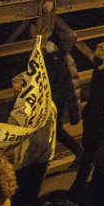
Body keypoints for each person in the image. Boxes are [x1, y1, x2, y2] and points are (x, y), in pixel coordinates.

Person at [70, 41, 104, 194]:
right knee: (87, 155)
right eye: (96, 55)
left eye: (100, 56)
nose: (96, 59)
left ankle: (93, 190)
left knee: (99, 159)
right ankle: (77, 189)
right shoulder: (97, 70)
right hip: (92, 119)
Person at [8, 72, 56, 206]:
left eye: (19, 90)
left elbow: (40, 141)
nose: (17, 93)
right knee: (20, 197)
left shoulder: (43, 108)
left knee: (26, 197)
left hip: (34, 161)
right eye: (15, 90)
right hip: (25, 158)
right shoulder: (25, 103)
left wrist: (22, 163)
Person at [40, 20, 83, 161]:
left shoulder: (64, 62)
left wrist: (75, 115)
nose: (49, 46)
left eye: (52, 44)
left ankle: (79, 152)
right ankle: (79, 152)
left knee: (55, 131)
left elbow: (72, 89)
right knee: (54, 131)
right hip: (50, 101)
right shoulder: (52, 58)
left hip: (56, 103)